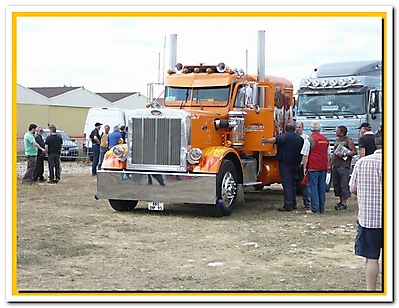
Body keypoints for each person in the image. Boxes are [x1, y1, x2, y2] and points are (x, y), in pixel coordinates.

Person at [349, 129, 382, 291]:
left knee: (372, 258)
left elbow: (353, 189)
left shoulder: (362, 163)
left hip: (370, 219)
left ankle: (371, 292)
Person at [262, 123, 304, 211]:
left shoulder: (285, 137)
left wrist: (266, 140)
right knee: (293, 184)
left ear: (286, 129)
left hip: (285, 163)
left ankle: (288, 205)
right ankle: (293, 203)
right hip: (295, 163)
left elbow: (276, 140)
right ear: (294, 129)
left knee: (287, 184)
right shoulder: (300, 139)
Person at [301, 121, 330, 214]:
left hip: (313, 167)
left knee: (313, 188)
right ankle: (322, 208)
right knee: (321, 187)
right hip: (323, 166)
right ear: (319, 129)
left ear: (311, 129)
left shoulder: (309, 140)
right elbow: (328, 154)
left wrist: (305, 167)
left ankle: (315, 208)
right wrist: (328, 165)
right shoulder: (325, 140)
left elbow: (305, 155)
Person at [330, 125, 357, 210]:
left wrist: (345, 154)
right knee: (336, 184)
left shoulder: (348, 141)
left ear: (342, 132)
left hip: (344, 165)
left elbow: (354, 152)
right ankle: (340, 201)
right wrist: (330, 163)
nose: (336, 132)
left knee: (344, 183)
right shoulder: (336, 141)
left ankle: (344, 202)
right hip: (336, 165)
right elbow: (334, 153)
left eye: (337, 130)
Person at [295, 121, 310, 208]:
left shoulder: (306, 139)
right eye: (296, 127)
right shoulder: (293, 137)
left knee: (305, 183)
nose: (297, 129)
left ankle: (306, 201)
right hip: (294, 163)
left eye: (299, 127)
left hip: (302, 164)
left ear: (303, 128)